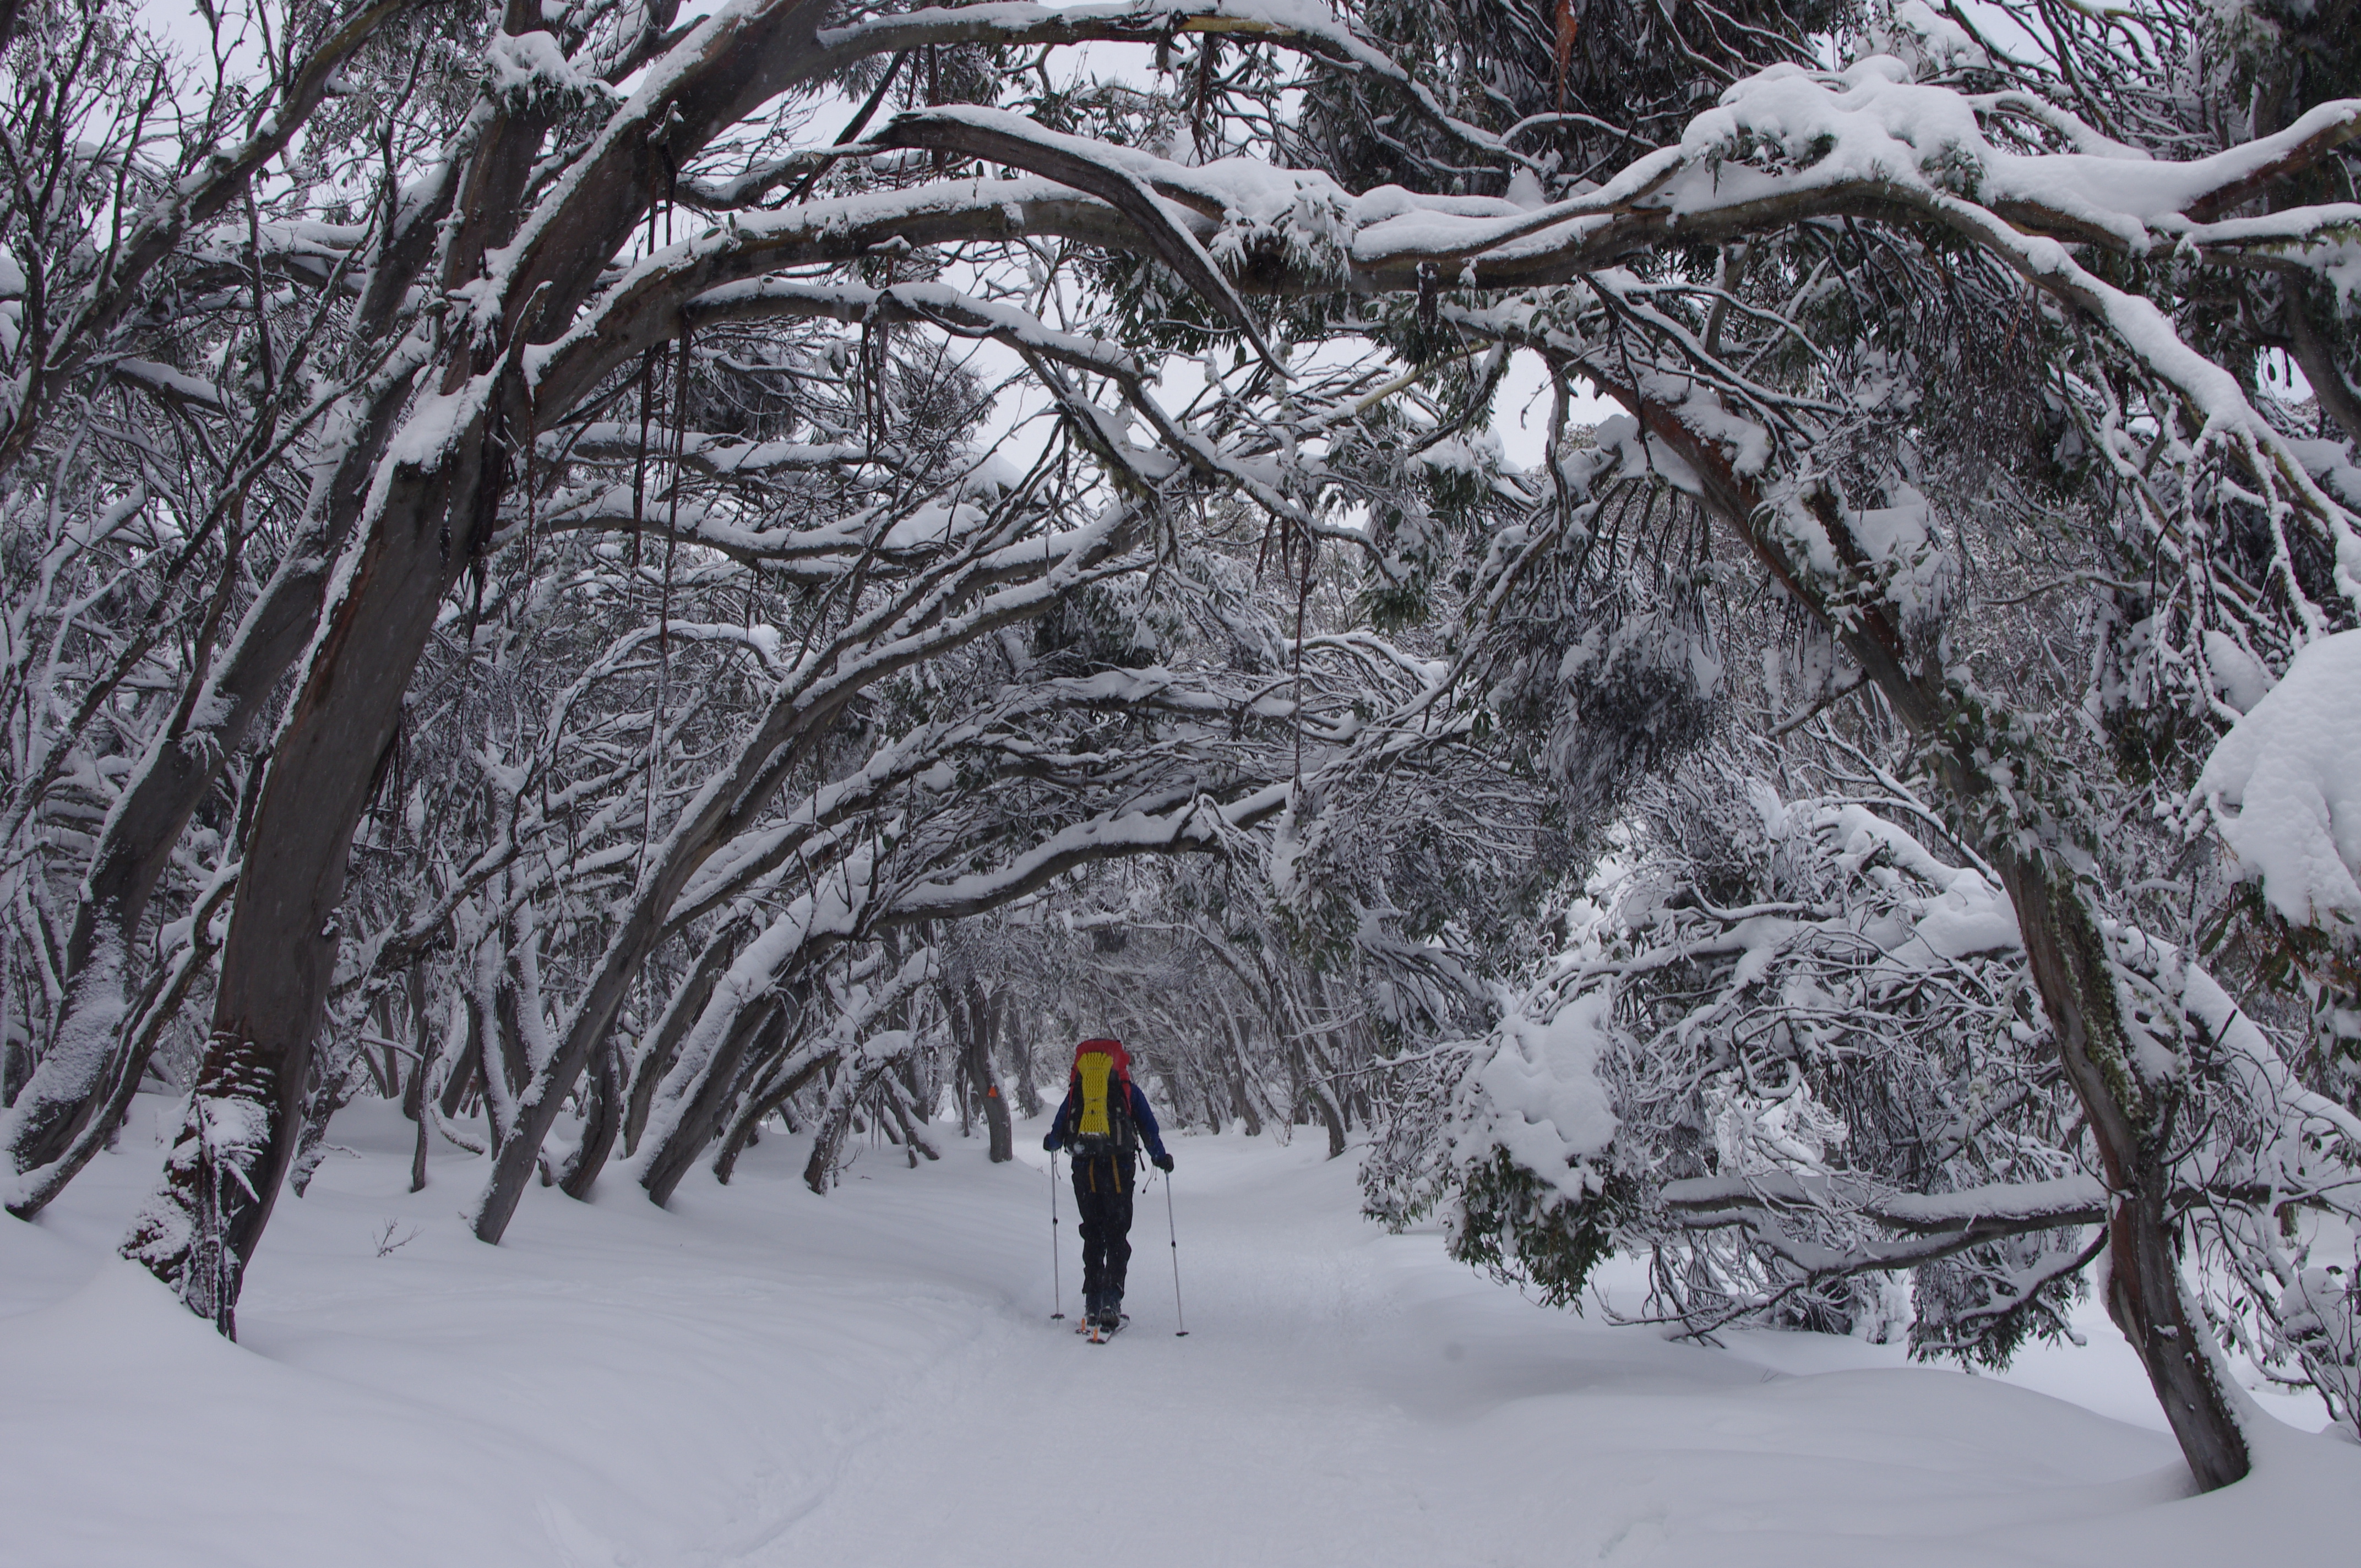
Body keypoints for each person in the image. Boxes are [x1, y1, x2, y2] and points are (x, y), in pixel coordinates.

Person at [1041, 1037, 1173, 1332]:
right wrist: (1160, 1158)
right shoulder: (1127, 1090)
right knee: (1116, 1233)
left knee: (1092, 1233)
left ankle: (1092, 1302)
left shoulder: (1078, 1090)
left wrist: (1052, 1143)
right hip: (1118, 1170)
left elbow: (1058, 1133)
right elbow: (1149, 1128)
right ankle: (1111, 1302)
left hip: (1084, 1170)